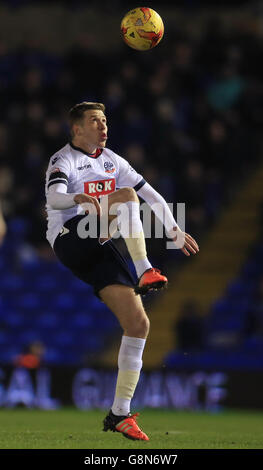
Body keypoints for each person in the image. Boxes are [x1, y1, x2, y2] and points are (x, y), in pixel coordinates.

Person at [45, 101, 199, 441]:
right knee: (126, 195)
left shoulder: (113, 160)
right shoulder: (64, 159)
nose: (103, 126)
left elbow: (153, 196)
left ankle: (119, 413)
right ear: (77, 129)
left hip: (98, 242)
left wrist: (174, 230)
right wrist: (78, 198)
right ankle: (144, 270)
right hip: (70, 236)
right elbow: (54, 198)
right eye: (95, 121)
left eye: (104, 120)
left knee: (138, 324)